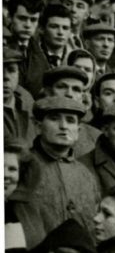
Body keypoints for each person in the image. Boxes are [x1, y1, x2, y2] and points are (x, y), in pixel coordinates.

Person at [29, 96, 102, 234]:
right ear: (38, 127)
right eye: (54, 119)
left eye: (70, 120)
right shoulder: (23, 167)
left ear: (78, 131)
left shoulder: (85, 174)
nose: (63, 126)